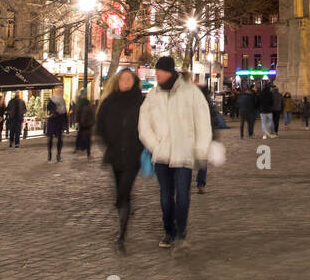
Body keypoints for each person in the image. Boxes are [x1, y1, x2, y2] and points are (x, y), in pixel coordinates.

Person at [138, 56, 212, 249]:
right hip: (162, 155)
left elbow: (203, 122)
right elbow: (144, 125)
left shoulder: (191, 92)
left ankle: (181, 229)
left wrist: (201, 149)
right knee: (165, 195)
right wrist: (155, 145)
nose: (156, 74)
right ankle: (168, 231)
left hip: (184, 152)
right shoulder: (153, 95)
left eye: (159, 71)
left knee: (182, 194)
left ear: (169, 72)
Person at [95, 68, 144, 253]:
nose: (125, 82)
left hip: (133, 154)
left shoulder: (141, 101)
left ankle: (122, 234)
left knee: (125, 189)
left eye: (129, 78)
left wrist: (141, 145)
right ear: (117, 81)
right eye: (123, 78)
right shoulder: (110, 102)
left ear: (134, 81)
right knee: (119, 193)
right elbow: (100, 126)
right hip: (115, 154)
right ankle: (123, 212)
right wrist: (109, 142)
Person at [45, 89, 67, 161]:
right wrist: (65, 124)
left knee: (52, 139)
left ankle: (52, 154)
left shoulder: (54, 100)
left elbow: (48, 109)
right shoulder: (60, 100)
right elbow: (64, 112)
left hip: (54, 121)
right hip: (57, 121)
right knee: (57, 139)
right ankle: (56, 155)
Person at [74, 92, 95, 158]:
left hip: (83, 124)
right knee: (88, 138)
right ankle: (88, 153)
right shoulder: (89, 105)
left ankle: (78, 148)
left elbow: (78, 114)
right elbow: (91, 114)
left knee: (80, 137)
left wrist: (78, 122)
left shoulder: (80, 105)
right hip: (87, 124)